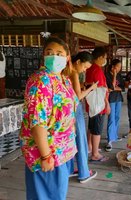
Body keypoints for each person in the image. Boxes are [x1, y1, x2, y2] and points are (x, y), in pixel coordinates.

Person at [19, 37, 78, 200]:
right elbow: (37, 121)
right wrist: (45, 155)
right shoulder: (41, 80)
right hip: (47, 151)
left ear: (67, 58)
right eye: (49, 53)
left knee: (56, 195)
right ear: (43, 56)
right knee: (46, 197)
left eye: (59, 53)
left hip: (63, 150)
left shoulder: (63, 79)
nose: (54, 57)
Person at [63, 51, 98, 183]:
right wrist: (92, 87)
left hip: (65, 111)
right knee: (81, 140)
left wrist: (83, 86)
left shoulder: (62, 72)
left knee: (69, 139)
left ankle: (69, 170)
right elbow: (77, 97)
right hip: (74, 109)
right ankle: (84, 173)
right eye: (84, 67)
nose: (84, 70)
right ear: (78, 62)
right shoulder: (74, 74)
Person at [85, 46, 110, 162]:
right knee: (97, 130)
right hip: (98, 104)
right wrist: (107, 104)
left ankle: (89, 147)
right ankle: (95, 154)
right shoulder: (98, 70)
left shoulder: (89, 68)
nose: (105, 61)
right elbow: (101, 90)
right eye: (104, 58)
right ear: (100, 57)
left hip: (90, 103)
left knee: (91, 126)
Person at [105, 59, 125, 151]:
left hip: (118, 99)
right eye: (118, 66)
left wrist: (114, 88)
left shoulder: (120, 76)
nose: (119, 69)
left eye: (120, 67)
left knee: (117, 118)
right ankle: (109, 140)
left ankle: (115, 136)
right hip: (111, 99)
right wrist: (114, 76)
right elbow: (110, 88)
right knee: (111, 119)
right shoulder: (107, 75)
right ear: (113, 67)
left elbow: (122, 88)